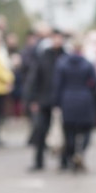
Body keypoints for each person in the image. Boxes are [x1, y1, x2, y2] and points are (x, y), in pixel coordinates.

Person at [53, 34, 96, 173]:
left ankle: (71, 155)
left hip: (68, 99)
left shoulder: (62, 63)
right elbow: (95, 82)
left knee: (69, 131)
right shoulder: (87, 63)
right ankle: (80, 152)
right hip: (84, 99)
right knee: (86, 130)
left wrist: (57, 102)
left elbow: (57, 84)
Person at [25, 29, 66, 171]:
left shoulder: (65, 57)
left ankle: (64, 161)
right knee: (41, 131)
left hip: (61, 101)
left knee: (63, 133)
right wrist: (33, 99)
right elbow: (35, 78)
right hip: (44, 99)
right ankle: (38, 161)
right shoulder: (44, 57)